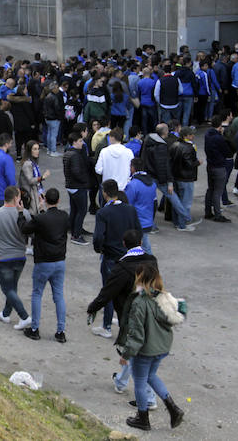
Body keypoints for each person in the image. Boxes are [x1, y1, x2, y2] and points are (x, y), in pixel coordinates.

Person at [86, 230, 158, 406]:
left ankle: (149, 399)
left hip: (131, 316)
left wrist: (93, 307)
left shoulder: (122, 268)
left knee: (135, 356)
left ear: (124, 245)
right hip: (150, 311)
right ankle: (120, 381)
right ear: (141, 242)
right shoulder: (152, 261)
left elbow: (108, 292)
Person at [119, 263, 185, 431]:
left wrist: (125, 354)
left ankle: (143, 419)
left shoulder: (140, 302)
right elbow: (177, 314)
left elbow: (136, 335)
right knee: (151, 375)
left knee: (140, 382)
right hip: (162, 347)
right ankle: (173, 408)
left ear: (140, 279)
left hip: (145, 350)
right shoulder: (163, 297)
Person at [92, 180, 141, 339]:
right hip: (129, 257)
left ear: (104, 193)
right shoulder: (130, 210)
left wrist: (99, 248)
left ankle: (106, 326)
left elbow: (99, 237)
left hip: (111, 257)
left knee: (109, 290)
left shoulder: (103, 213)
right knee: (128, 290)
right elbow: (138, 231)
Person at [18, 188, 68, 343]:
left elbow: (25, 228)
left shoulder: (41, 219)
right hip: (59, 261)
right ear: (58, 201)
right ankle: (61, 331)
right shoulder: (64, 216)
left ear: (45, 200)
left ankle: (35, 328)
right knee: (58, 295)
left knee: (37, 294)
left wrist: (21, 212)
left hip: (44, 261)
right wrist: (41, 211)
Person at [0, 186, 32, 330]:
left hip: (4, 257)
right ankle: (6, 314)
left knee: (7, 289)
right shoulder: (24, 213)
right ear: (15, 198)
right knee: (12, 287)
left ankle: (24, 316)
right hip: (20, 256)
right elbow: (30, 233)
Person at [168, 126, 202, 230]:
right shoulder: (189, 148)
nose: (193, 136)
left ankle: (176, 222)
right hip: (186, 178)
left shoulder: (174, 145)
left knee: (177, 201)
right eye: (191, 134)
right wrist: (197, 162)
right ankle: (183, 224)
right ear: (186, 136)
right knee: (185, 202)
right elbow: (189, 164)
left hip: (176, 177)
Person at [63, 131, 93, 244]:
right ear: (74, 142)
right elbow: (76, 172)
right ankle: (76, 236)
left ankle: (73, 229)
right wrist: (86, 181)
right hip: (78, 186)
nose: (82, 143)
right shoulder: (75, 155)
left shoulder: (67, 153)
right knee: (82, 210)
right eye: (80, 141)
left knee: (74, 210)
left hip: (71, 186)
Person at [124, 158, 157, 252]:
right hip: (147, 220)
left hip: (136, 221)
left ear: (133, 168)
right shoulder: (152, 183)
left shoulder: (133, 184)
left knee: (144, 247)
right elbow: (154, 202)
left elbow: (127, 204)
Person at [203, 116, 231, 223]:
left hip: (210, 164)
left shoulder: (207, 135)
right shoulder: (218, 138)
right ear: (219, 126)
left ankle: (208, 211)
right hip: (219, 166)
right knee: (218, 191)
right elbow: (227, 151)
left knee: (210, 189)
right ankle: (218, 214)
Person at [19, 140, 50, 215]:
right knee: (33, 214)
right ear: (30, 151)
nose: (37, 151)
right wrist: (42, 177)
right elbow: (30, 180)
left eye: (38, 149)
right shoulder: (27, 164)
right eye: (35, 149)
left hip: (36, 192)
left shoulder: (33, 162)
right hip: (30, 194)